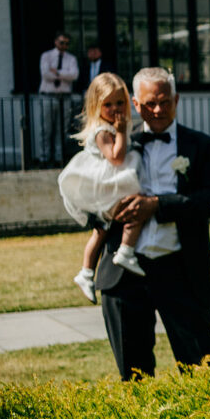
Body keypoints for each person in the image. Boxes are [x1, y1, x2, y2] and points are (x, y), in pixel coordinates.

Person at [95, 68, 210, 380]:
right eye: (149, 104)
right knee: (133, 378)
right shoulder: (114, 145)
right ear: (135, 105)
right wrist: (109, 210)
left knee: (202, 370)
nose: (158, 110)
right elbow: (88, 197)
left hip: (181, 270)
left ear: (176, 100)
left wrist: (158, 205)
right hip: (125, 276)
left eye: (165, 102)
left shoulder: (201, 146)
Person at [58, 73, 146, 303]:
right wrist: (121, 132)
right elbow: (116, 157)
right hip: (107, 183)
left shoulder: (110, 126)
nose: (115, 109)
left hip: (110, 181)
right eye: (108, 105)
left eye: (120, 103)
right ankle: (125, 251)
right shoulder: (102, 131)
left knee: (102, 230)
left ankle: (86, 273)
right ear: (96, 106)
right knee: (135, 208)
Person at [35, 32, 79, 164]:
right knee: (46, 128)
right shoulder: (46, 56)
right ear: (56, 42)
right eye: (61, 42)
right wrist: (65, 74)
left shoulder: (71, 58)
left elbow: (74, 75)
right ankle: (44, 157)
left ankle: (59, 157)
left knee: (62, 129)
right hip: (48, 96)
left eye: (67, 43)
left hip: (64, 97)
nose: (64, 45)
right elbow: (46, 74)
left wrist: (58, 72)